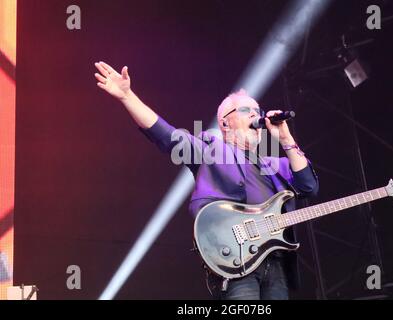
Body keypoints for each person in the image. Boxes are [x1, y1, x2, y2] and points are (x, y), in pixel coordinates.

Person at [94, 61, 319, 300]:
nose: (256, 114)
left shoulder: (276, 166)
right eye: (246, 110)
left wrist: (285, 137)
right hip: (234, 259)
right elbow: (167, 136)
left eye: (257, 110)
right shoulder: (209, 153)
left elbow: (308, 186)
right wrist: (128, 97)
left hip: (276, 264)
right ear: (224, 123)